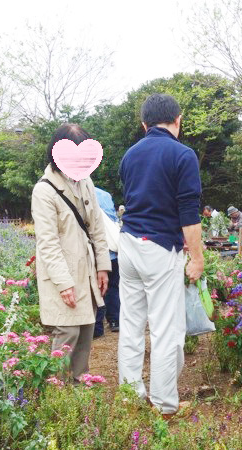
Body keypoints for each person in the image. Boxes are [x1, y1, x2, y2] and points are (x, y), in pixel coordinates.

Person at [118, 93, 203, 419]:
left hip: (128, 245)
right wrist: (196, 258)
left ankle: (130, 397)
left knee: (131, 324)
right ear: (178, 120)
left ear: (144, 124)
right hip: (160, 248)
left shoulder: (130, 155)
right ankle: (166, 405)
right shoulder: (182, 155)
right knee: (167, 330)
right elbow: (188, 214)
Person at [31, 123, 111, 383]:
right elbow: (48, 243)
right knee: (67, 332)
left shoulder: (85, 181)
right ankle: (58, 391)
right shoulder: (44, 190)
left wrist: (102, 266)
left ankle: (79, 385)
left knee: (87, 329)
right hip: (62, 274)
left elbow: (97, 227)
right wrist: (64, 283)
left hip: (86, 269)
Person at [93, 186, 121, 338]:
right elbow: (114, 219)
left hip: (98, 252)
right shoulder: (105, 194)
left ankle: (97, 326)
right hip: (113, 251)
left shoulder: (81, 192)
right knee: (113, 287)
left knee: (97, 288)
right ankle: (115, 320)